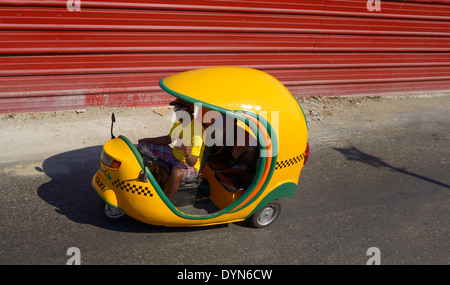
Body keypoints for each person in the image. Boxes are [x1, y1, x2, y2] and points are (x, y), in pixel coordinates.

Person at [138, 98, 205, 199]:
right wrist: (147, 140)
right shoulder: (180, 121)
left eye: (179, 110)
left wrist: (187, 156)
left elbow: (192, 163)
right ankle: (145, 176)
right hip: (174, 155)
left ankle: (164, 201)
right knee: (143, 146)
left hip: (189, 164)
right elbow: (169, 138)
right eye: (175, 110)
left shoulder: (196, 132)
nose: (176, 113)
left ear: (190, 111)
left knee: (176, 173)